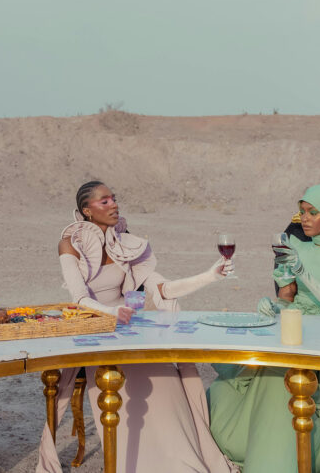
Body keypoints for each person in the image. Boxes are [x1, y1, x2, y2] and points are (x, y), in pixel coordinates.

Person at [37, 181, 238, 473]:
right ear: (86, 210)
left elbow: (163, 289)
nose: (113, 204)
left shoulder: (125, 243)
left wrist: (210, 276)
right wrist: (111, 312)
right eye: (104, 201)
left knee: (166, 378)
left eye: (114, 198)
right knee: (122, 386)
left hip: (132, 331)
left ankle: (181, 463)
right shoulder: (70, 244)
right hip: (98, 334)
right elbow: (78, 298)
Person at [209, 183, 320, 472]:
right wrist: (274, 308)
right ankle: (265, 449)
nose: (304, 218)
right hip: (297, 334)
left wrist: (302, 271)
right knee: (274, 370)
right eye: (302, 211)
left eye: (313, 212)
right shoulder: (296, 247)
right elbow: (288, 300)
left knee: (283, 373)